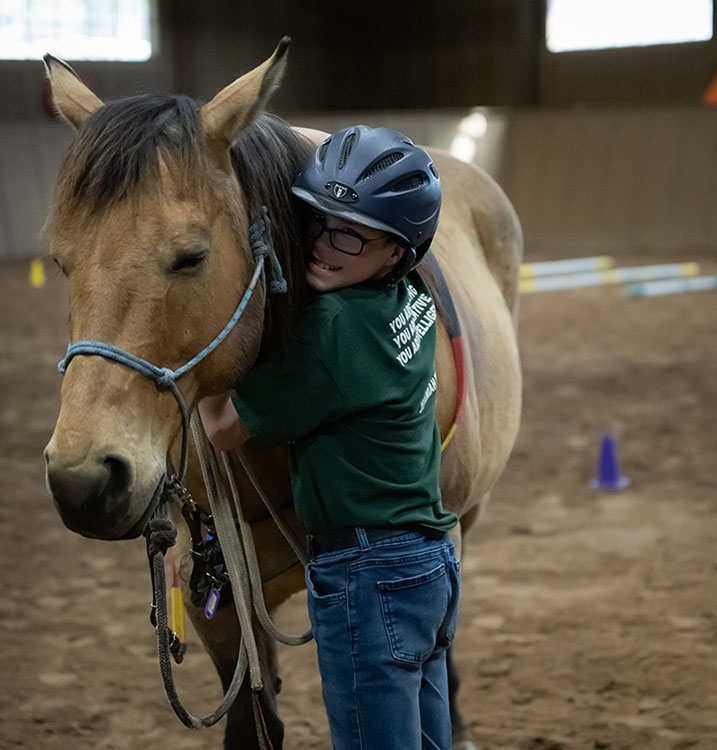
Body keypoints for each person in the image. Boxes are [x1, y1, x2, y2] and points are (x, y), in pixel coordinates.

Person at [199, 125, 460, 750]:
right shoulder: (412, 300)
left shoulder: (334, 329)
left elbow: (223, 429)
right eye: (316, 222)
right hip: (430, 566)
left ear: (397, 251)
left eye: (349, 234)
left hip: (366, 573)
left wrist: (207, 345)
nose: (321, 245)